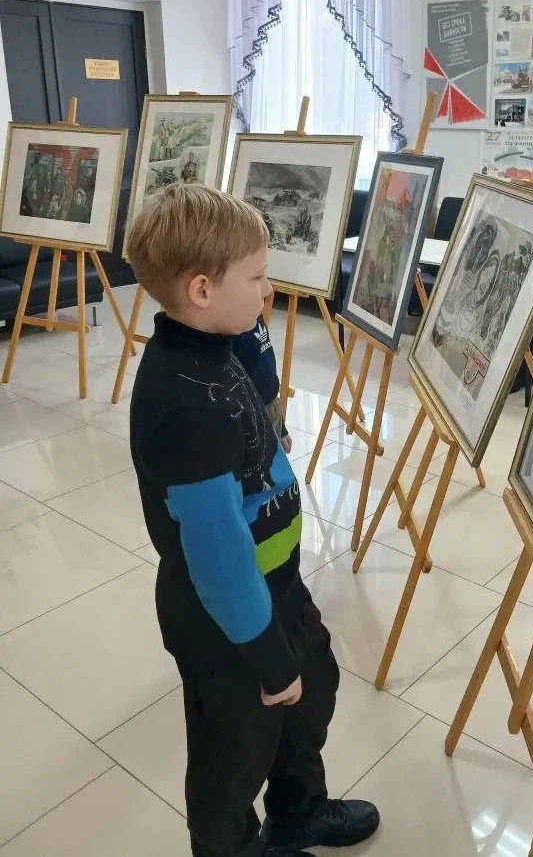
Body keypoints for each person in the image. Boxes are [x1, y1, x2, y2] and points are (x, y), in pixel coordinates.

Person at [126, 184, 379, 857]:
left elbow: (259, 400)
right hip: (226, 620)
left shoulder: (217, 342)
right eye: (258, 277)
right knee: (233, 756)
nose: (268, 292)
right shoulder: (184, 409)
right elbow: (218, 561)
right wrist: (266, 656)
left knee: (311, 692)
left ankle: (298, 813)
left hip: (274, 584)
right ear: (202, 290)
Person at [233, 316, 292, 456]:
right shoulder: (229, 326)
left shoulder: (254, 312)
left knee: (274, 461)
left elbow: (266, 365)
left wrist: (282, 428)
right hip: (249, 416)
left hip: (271, 406)